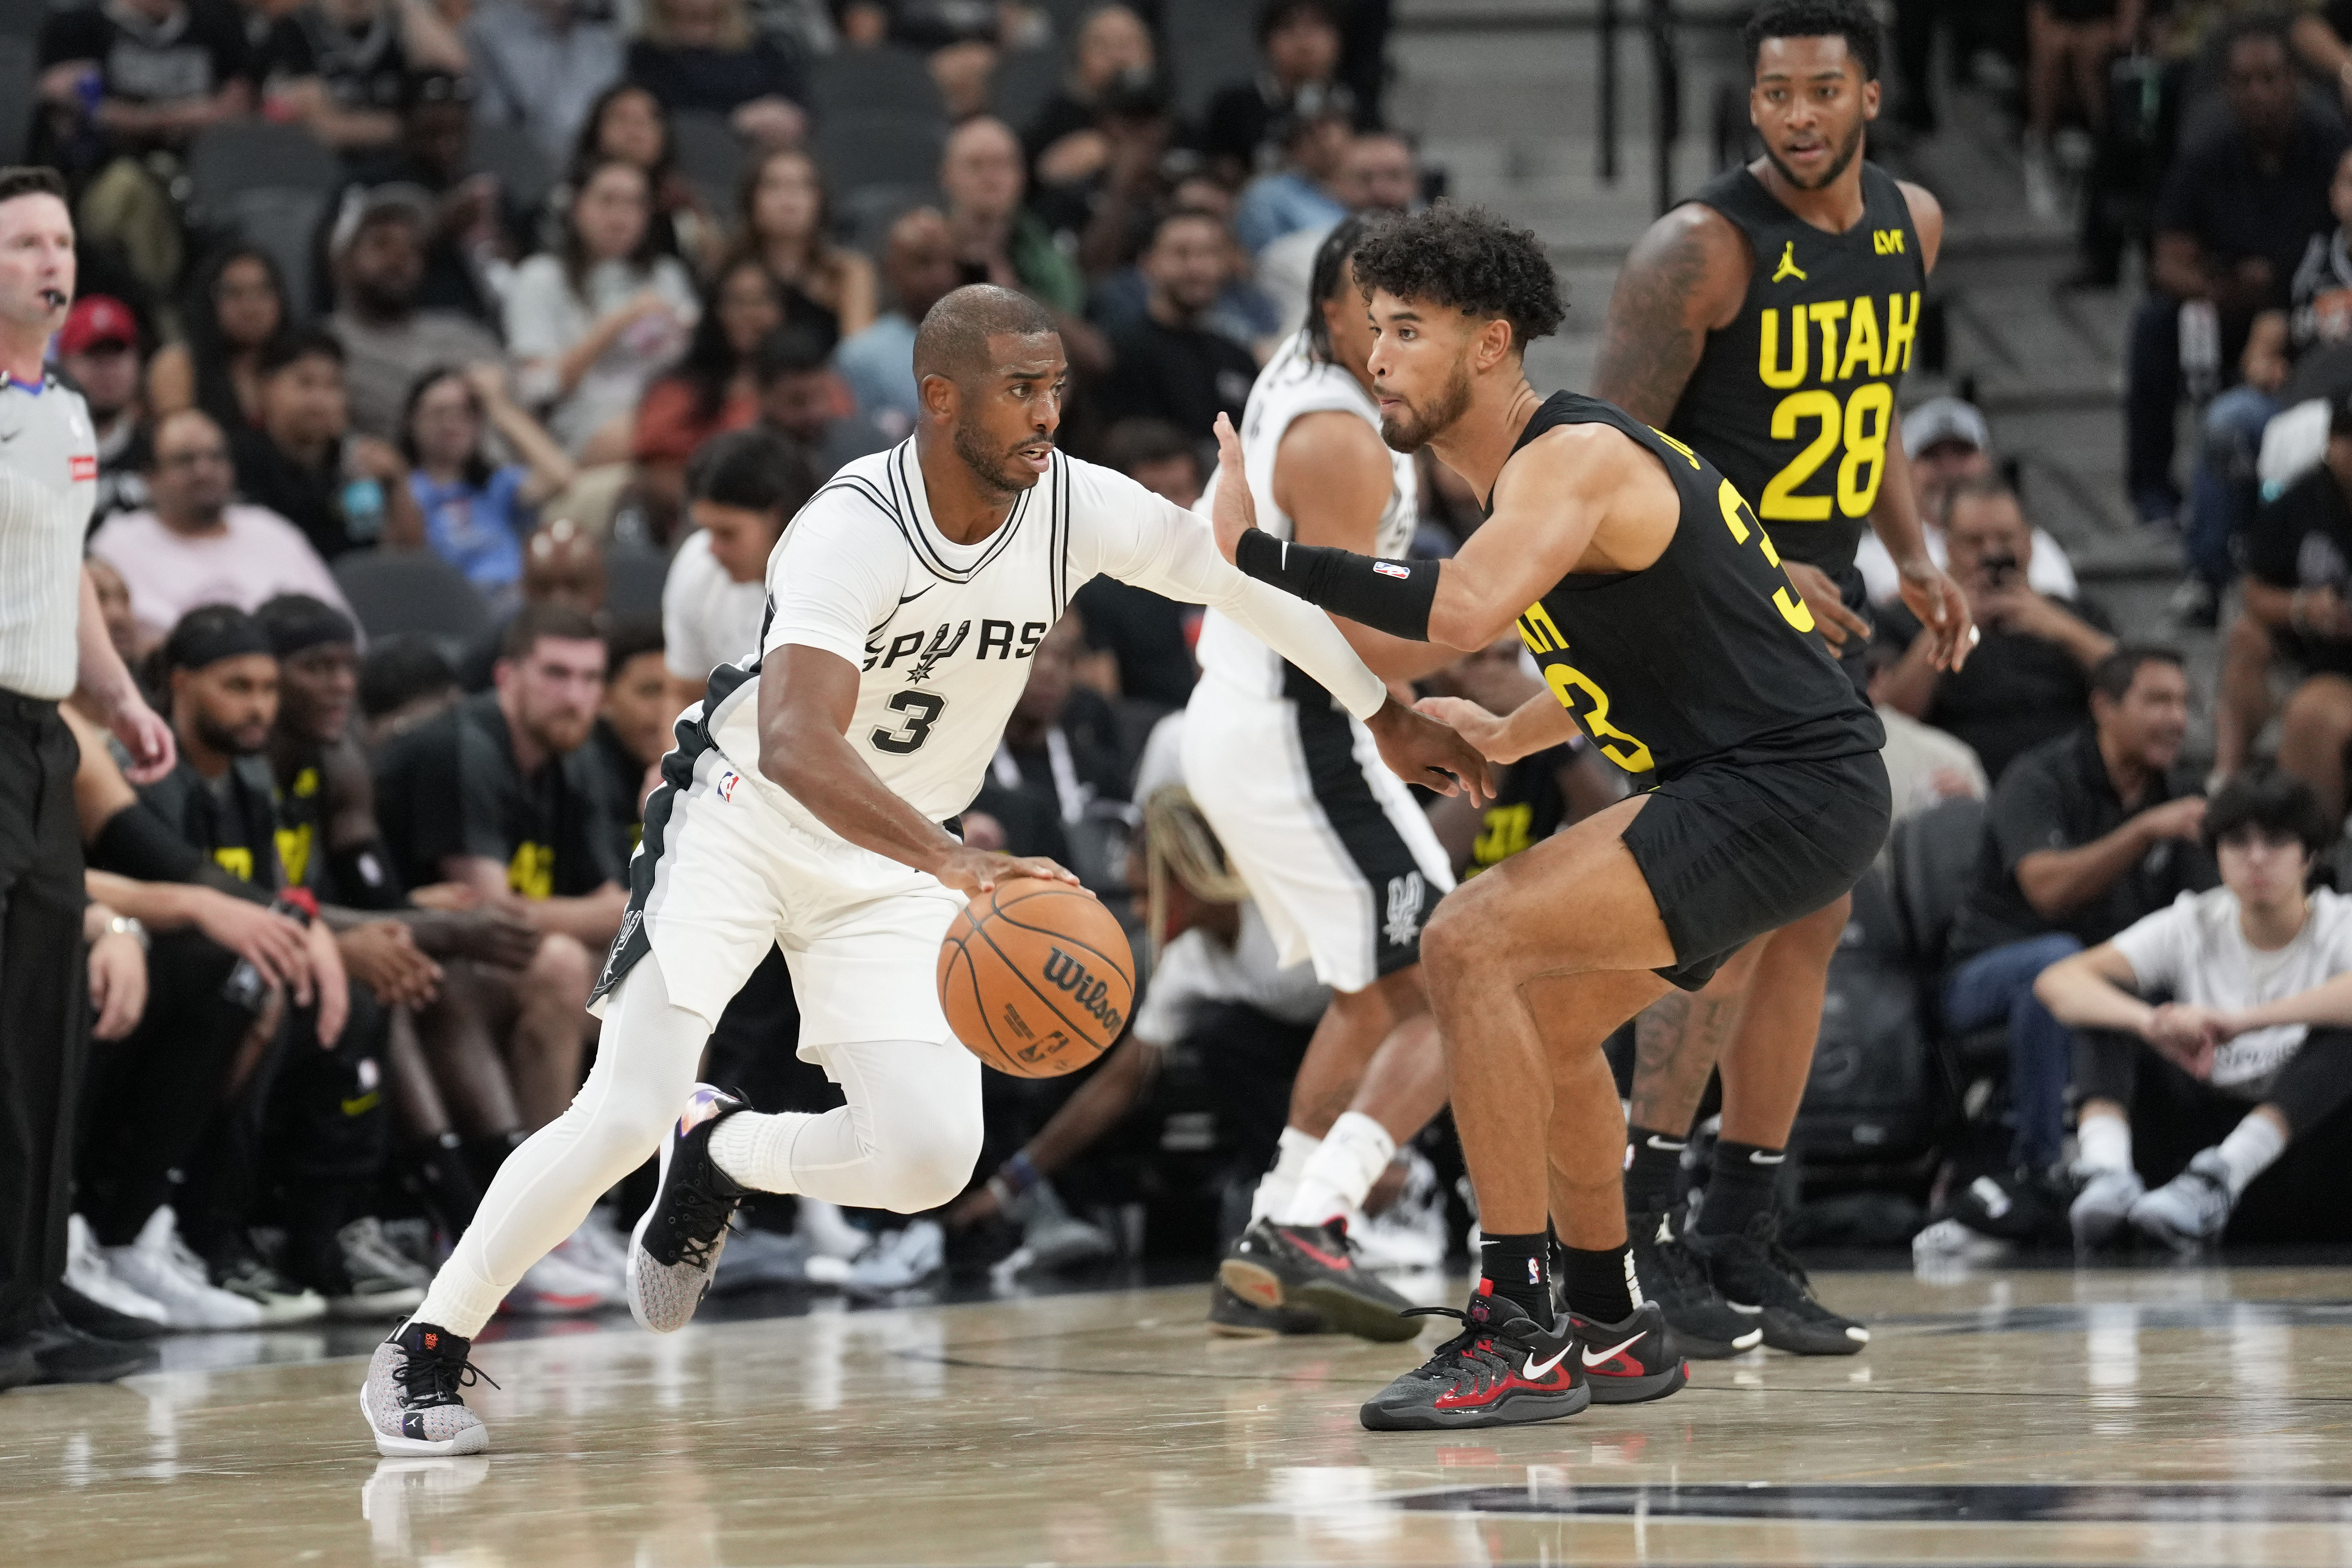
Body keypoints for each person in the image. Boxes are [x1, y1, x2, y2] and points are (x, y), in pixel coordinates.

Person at [358, 281, 1484, 1455]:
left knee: (926, 1157)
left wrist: (1377, 706)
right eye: (1019, 390)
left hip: (898, 862)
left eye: (1055, 387)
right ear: (938, 397)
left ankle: (723, 1150)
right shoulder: (849, 525)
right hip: (746, 819)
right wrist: (952, 860)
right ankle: (426, 1348)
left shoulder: (1071, 504)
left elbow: (1237, 577)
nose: (1047, 413)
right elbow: (796, 738)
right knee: (621, 1108)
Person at [1212, 203, 1894, 1428]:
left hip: (1778, 783)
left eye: (1407, 329)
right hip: (1767, 780)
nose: (1377, 355)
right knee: (1536, 1016)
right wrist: (1511, 729)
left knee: (1466, 936)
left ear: (1488, 342)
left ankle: (1515, 1322)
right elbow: (1645, 642)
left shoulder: (1564, 458)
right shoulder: (1539, 476)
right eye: (1372, 330)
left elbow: (1462, 611)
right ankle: (1610, 1319)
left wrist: (1258, 554)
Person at [1583, 0, 1966, 1358]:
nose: (1794, 115)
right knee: (1731, 926)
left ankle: (1739, 1240)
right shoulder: (1697, 249)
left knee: (1813, 915)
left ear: (1869, 95)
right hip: (1699, 614)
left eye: (1820, 91)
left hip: (1823, 614)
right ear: (1749, 107)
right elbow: (1597, 464)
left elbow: (1870, 408)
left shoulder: (1910, 225)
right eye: (1773, 94)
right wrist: (1755, 568)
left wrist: (1912, 556)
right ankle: (1634, 1236)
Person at [1180, 216, 1461, 1344]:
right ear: (1331, 307)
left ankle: (1274, 1235)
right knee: (1455, 972)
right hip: (1298, 722)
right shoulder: (1338, 436)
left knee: (1383, 989)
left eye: (1415, 313)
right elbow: (1350, 641)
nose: (1395, 333)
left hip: (1278, 719)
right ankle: (1311, 1222)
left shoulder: (1312, 374)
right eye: (1378, 310)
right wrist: (1452, 662)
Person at [0, 166, 177, 1389]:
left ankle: (31, 1288)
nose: (51, 262)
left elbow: (61, 578)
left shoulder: (63, 411)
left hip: (41, 735)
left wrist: (114, 691)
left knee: (43, 1019)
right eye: (22, 243)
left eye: (61, 240)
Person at [2035, 771, 2352, 1252]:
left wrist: (2241, 1021)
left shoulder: (2338, 921)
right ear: (2217, 855)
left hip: (2300, 1152)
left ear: (2309, 855)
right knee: (2106, 1005)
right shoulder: (2194, 921)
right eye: (2237, 841)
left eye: (2276, 840)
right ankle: (2108, 1174)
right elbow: (2057, 981)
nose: (2256, 857)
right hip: (2188, 1151)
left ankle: (2223, 1174)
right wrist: (2152, 1024)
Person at [1944, 647, 2212, 1178]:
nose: (2176, 719)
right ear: (2103, 707)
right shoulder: (2037, 777)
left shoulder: (2178, 792)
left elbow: (2202, 910)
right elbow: (2047, 890)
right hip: (1984, 974)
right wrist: (2140, 832)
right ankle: (2036, 1168)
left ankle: (2185, 1169)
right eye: (2157, 701)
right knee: (2059, 965)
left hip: (2107, 973)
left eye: (2182, 703)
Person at [2127, 19, 2348, 530]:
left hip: (2308, 313)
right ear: (2226, 90)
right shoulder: (2206, 155)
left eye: (2271, 79)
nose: (2260, 94)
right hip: (2229, 304)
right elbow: (2167, 258)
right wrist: (2217, 287)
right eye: (2245, 83)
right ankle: (2154, 493)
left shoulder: (2331, 147)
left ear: (2294, 80)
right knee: (2156, 325)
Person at [2182, 144, 2352, 626]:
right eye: (2350, 183)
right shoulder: (2307, 257)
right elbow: (2263, 343)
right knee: (2226, 421)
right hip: (2302, 405)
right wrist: (2262, 365)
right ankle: (2209, 576)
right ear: (2334, 195)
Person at [1877, 475, 2116, 782]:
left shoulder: (2079, 614)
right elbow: (1893, 718)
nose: (1991, 555)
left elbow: (2131, 684)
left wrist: (2061, 628)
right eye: (1974, 542)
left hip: (2066, 785)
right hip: (1955, 789)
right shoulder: (1907, 619)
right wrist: (1949, 625)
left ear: (2029, 543)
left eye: (2005, 539)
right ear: (1947, 547)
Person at [33, 0, 252, 300]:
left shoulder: (217, 24)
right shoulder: (79, 26)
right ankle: (158, 308)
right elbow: (70, 104)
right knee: (130, 190)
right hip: (102, 176)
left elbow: (240, 106)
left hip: (201, 176)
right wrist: (192, 114)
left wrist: (132, 117)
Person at [89, 410, 356, 653]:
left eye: (216, 457)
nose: (204, 471)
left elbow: (342, 627)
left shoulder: (270, 529)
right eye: (186, 460)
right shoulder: (118, 542)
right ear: (150, 476)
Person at [505, 156, 699, 458]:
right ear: (576, 206)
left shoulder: (666, 275)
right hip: (577, 435)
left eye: (635, 204)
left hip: (661, 417)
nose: (621, 215)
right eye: (607, 201)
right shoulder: (541, 276)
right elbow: (537, 389)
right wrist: (619, 321)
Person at [2235, 403, 2352, 815]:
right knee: (2245, 635)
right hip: (2324, 656)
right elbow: (2254, 588)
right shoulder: (2300, 499)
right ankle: (2227, 783)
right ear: (2332, 444)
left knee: (2312, 710)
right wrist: (2302, 607)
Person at [1852, 396, 2079, 606]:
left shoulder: (2034, 543)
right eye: (1932, 456)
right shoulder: (1870, 553)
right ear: (1903, 470)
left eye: (1963, 453)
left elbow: (2058, 612)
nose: (1950, 469)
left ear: (1988, 461)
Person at [229, 329, 429, 561]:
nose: (320, 400)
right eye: (306, 384)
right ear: (266, 388)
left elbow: (402, 554)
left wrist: (396, 482)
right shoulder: (235, 462)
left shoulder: (354, 464)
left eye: (333, 386)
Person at [325, 185, 505, 442]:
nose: (399, 257)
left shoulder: (464, 335)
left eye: (412, 247)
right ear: (341, 262)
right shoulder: (327, 349)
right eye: (381, 244)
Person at [660, 429, 812, 717]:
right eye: (706, 529)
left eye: (727, 533)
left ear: (777, 518)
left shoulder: (841, 582)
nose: (712, 550)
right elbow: (682, 696)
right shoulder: (697, 565)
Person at [402, 364, 575, 605]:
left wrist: (498, 405)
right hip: (454, 609)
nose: (453, 423)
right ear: (413, 423)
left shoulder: (496, 484)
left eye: (466, 413)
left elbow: (560, 475)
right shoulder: (405, 492)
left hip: (519, 603)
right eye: (440, 413)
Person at [632, 257, 786, 525]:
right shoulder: (677, 391)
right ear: (714, 310)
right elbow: (658, 479)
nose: (750, 314)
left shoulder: (807, 382)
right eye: (737, 303)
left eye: (761, 301)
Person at [1068, 419, 1205, 709]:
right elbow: (1106, 707)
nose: (1174, 511)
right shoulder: (1097, 593)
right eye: (1156, 497)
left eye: (1181, 491)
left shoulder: (1231, 569)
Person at [1099, 208, 1261, 438]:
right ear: (1147, 264)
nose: (1196, 268)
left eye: (1208, 254)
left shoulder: (1238, 357)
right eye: (1180, 254)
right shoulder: (1122, 351)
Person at [259, 0, 471, 157]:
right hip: (329, 167)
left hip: (400, 165)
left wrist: (408, 6)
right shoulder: (295, 29)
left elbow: (456, 65)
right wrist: (404, 129)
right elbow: (324, 129)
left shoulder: (396, 23)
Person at [834, 207, 961, 442]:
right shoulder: (861, 355)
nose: (940, 276)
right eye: (923, 263)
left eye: (947, 262)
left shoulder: (987, 344)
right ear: (892, 270)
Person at [940, 117, 1086, 317]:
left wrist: (1011, 295)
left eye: (1001, 165)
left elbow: (1070, 321)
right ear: (947, 176)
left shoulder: (1045, 255)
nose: (989, 177)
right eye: (975, 165)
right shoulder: (929, 247)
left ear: (1021, 177)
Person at [734, 147, 877, 346]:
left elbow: (858, 356)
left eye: (803, 186)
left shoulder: (846, 273)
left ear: (821, 201)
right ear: (750, 200)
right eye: (773, 185)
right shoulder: (731, 272)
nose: (789, 197)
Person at [1198, 0, 1349, 184]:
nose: (1304, 43)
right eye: (1288, 28)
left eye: (1316, 28)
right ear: (1267, 40)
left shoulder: (1350, 106)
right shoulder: (1233, 106)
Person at [625, 0, 808, 151]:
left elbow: (797, 98)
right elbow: (661, 111)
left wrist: (783, 114)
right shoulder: (648, 54)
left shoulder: (762, 45)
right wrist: (735, 121)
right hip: (697, 154)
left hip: (771, 148)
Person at [465, 0, 627, 166]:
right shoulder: (489, 30)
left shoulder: (601, 36)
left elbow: (610, 112)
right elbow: (493, 124)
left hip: (595, 167)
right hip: (524, 166)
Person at [149, 245, 291, 430]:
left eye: (262, 292)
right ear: (211, 300)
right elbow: (179, 444)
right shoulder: (180, 366)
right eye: (235, 294)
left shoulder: (300, 365)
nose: (251, 308)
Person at [54, 295, 152, 527]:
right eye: (93, 355)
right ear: (63, 365)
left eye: (117, 354)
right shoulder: (33, 452)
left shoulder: (161, 451)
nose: (107, 370)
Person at [753, 325, 890, 478]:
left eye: (821, 396)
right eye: (797, 402)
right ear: (763, 396)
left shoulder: (869, 446)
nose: (814, 412)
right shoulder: (742, 460)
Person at [1233, 90, 1354, 258]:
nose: (1327, 144)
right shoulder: (1266, 193)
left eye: (1329, 130)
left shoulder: (1353, 190)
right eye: (1313, 135)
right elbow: (1262, 260)